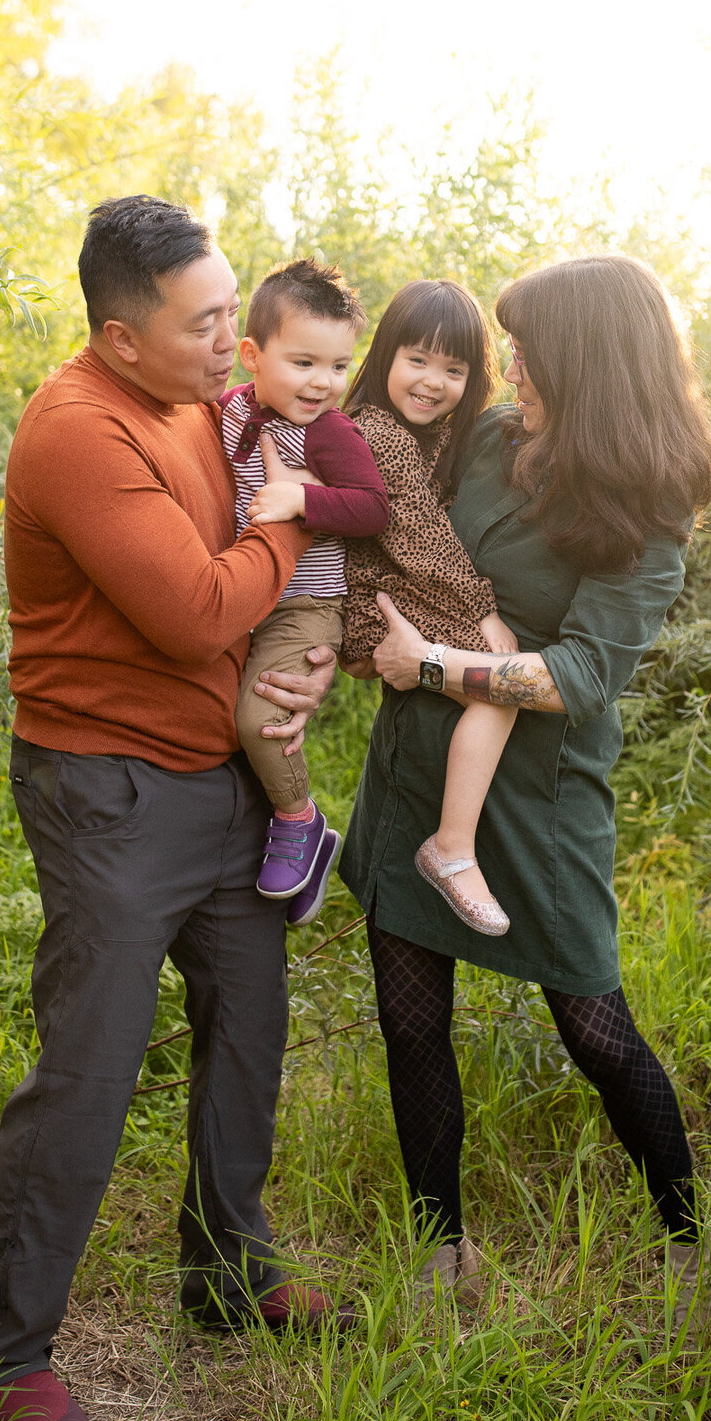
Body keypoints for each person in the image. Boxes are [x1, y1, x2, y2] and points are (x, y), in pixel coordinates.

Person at [0, 196, 353, 1421]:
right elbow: (194, 610)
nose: (233, 339)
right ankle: (4, 1353)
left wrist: (305, 665)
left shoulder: (201, 405)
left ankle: (227, 1270)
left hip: (217, 778)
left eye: (235, 310)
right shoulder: (78, 431)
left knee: (251, 1020)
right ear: (124, 337)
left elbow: (247, 608)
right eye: (206, 323)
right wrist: (293, 522)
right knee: (93, 1063)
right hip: (107, 791)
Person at [339, 256, 711, 1312]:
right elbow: (381, 496)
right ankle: (439, 1246)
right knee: (409, 1018)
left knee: (593, 1021)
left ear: (584, 362)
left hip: (539, 793)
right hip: (420, 764)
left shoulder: (648, 507)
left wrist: (437, 667)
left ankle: (687, 1235)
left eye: (526, 348)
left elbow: (586, 675)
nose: (507, 365)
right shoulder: (492, 438)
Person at [339, 280, 520, 937]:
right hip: (377, 600)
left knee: (494, 683)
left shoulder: (434, 433)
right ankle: (452, 846)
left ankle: (452, 844)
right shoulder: (378, 434)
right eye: (417, 359)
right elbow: (421, 539)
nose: (432, 381)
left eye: (454, 368)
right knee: (500, 684)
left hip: (397, 589)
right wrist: (482, 613)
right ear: (386, 353)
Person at [220, 258, 387, 924]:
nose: (324, 383)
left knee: (260, 716)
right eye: (304, 362)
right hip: (243, 594)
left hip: (306, 607)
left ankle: (300, 822)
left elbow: (373, 509)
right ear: (252, 356)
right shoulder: (227, 411)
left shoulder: (329, 431)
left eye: (339, 366)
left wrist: (303, 497)